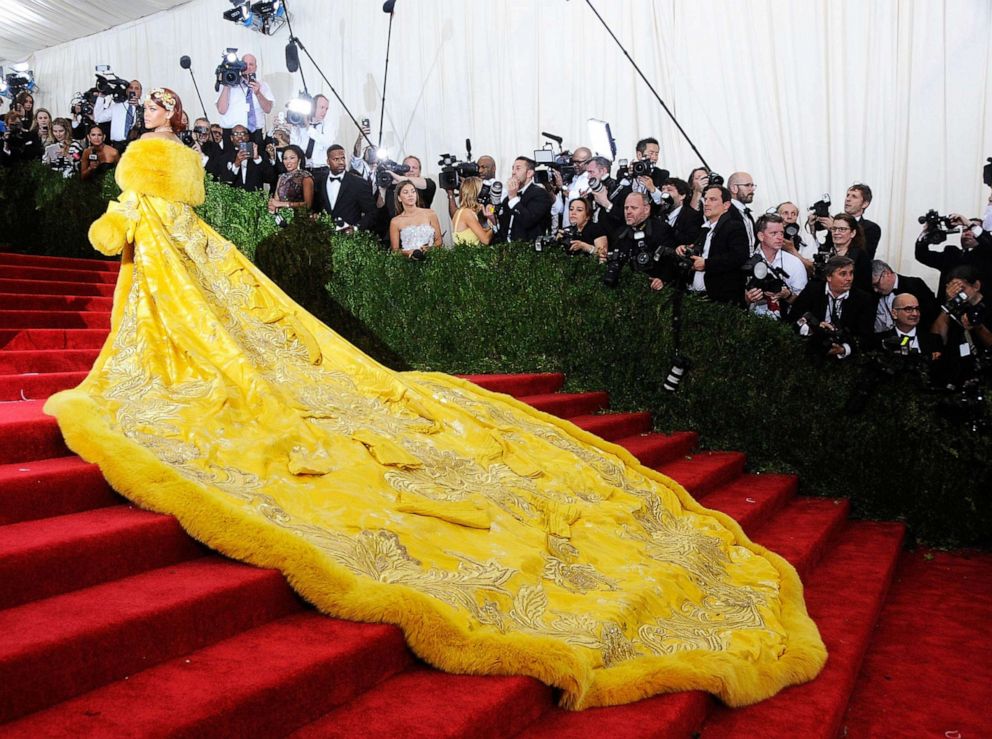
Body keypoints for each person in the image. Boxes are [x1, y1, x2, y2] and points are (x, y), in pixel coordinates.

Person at [47, 84, 825, 712]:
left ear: (166, 120)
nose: (149, 112)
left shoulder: (157, 166)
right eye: (145, 107)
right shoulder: (179, 170)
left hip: (160, 261)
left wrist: (119, 220)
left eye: (156, 107)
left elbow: (126, 223)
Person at [789, 256, 875, 359]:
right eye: (843, 274)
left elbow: (866, 335)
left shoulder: (863, 299)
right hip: (810, 350)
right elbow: (792, 318)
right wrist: (813, 329)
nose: (849, 278)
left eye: (851, 273)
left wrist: (844, 349)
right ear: (829, 277)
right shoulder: (813, 290)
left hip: (846, 358)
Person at [678, 185, 750, 305]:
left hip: (721, 302)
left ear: (726, 205)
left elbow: (739, 257)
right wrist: (685, 249)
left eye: (713, 199)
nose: (706, 203)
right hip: (697, 298)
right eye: (705, 199)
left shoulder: (734, 226)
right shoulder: (705, 229)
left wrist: (706, 264)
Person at [744, 214, 808, 320]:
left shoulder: (794, 263)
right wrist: (747, 298)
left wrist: (787, 295)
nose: (779, 238)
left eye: (781, 233)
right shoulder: (747, 260)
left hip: (785, 322)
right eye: (774, 233)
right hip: (750, 322)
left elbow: (804, 301)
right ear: (761, 236)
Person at [312, 144, 377, 231]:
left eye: (343, 158)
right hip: (324, 236)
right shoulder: (319, 181)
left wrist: (356, 228)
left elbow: (372, 213)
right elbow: (316, 207)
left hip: (350, 239)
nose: (341, 162)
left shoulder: (359, 183)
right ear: (328, 161)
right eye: (336, 159)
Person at [215, 53, 273, 148]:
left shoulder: (263, 85)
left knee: (256, 161)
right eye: (245, 64)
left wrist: (258, 93)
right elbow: (221, 110)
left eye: (251, 64)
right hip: (232, 134)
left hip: (255, 133)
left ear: (256, 67)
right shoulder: (228, 84)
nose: (248, 67)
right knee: (232, 162)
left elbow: (268, 109)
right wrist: (227, 83)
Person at [870, 259, 938, 334]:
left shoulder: (916, 285)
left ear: (887, 274)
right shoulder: (872, 294)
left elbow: (931, 314)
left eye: (876, 284)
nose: (875, 290)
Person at [498, 156, 553, 242]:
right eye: (513, 169)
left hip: (529, 249)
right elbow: (503, 225)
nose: (513, 172)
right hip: (508, 249)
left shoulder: (540, 194)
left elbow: (528, 220)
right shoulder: (507, 199)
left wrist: (513, 198)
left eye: (518, 169)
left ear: (529, 173)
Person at [876, 293, 942, 358]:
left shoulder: (934, 340)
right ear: (894, 313)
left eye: (917, 309)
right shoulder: (879, 340)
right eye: (908, 309)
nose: (915, 314)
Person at [389, 179, 442, 256]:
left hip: (432, 260)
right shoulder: (395, 222)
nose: (410, 195)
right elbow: (395, 251)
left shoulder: (430, 213)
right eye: (406, 192)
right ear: (399, 198)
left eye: (413, 191)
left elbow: (439, 240)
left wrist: (429, 249)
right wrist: (409, 253)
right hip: (408, 262)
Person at [826, 213, 872, 293]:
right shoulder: (827, 252)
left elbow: (863, 287)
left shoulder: (861, 256)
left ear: (852, 233)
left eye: (842, 229)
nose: (836, 232)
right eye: (834, 229)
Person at [93, 79, 143, 150]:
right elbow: (98, 118)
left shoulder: (145, 108)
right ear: (127, 91)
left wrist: (138, 108)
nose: (133, 90)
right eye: (131, 88)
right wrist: (101, 97)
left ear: (140, 92)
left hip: (136, 146)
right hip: (117, 146)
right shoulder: (116, 106)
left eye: (136, 88)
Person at [220, 124, 272, 192]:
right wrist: (236, 164)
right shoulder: (225, 157)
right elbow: (225, 183)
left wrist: (257, 159)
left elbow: (270, 178)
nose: (240, 137)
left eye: (243, 133)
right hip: (234, 200)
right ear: (231, 138)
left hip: (256, 199)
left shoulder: (259, 154)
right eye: (236, 134)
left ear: (247, 137)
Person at [268, 144, 314, 215]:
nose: (288, 161)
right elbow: (276, 200)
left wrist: (283, 204)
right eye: (285, 158)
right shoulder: (282, 177)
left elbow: (307, 205)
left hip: (299, 219)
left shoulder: (306, 177)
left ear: (299, 159)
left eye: (292, 158)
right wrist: (273, 206)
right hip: (281, 218)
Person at [451, 177, 495, 246]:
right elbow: (486, 240)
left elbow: (482, 231)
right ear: (476, 193)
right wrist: (495, 225)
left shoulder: (462, 211)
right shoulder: (467, 213)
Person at [844, 184, 882, 259]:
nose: (848, 199)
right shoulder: (834, 223)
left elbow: (864, 256)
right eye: (848, 195)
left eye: (854, 196)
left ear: (865, 204)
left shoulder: (872, 228)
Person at [727, 171, 757, 246]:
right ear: (734, 188)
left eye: (752, 185)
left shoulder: (747, 214)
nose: (752, 189)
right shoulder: (726, 211)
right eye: (747, 185)